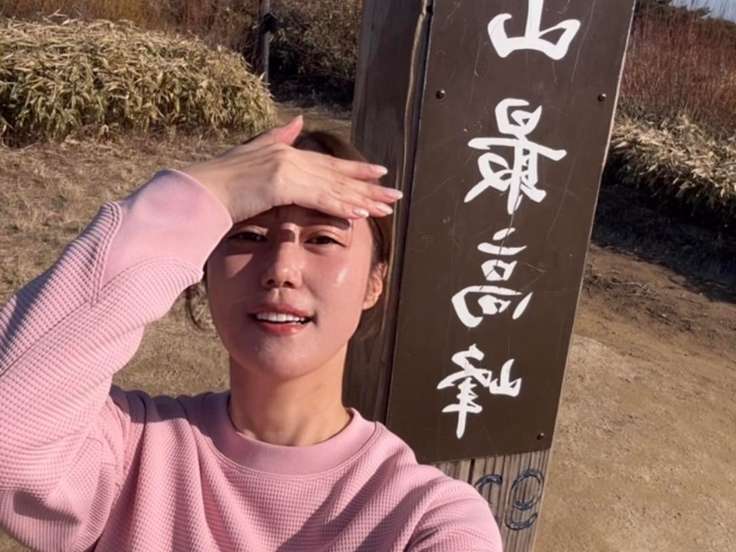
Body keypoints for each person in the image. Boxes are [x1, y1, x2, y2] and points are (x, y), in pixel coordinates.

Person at [0, 115, 503, 551]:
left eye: (323, 239)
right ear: (203, 268)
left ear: (375, 282)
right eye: (247, 235)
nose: (281, 268)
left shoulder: (426, 517)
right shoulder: (129, 455)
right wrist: (203, 193)